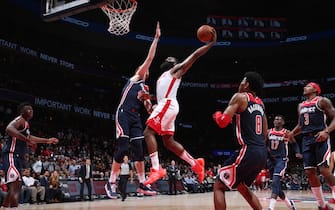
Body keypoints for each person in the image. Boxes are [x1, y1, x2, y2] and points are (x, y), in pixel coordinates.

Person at [143, 26, 217, 186]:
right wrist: (148, 101)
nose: (167, 59)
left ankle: (156, 169)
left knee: (148, 132)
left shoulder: (175, 71)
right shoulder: (162, 78)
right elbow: (154, 107)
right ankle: (196, 164)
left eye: (170, 59)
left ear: (173, 64)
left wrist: (211, 44)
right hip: (166, 104)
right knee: (168, 142)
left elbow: (195, 56)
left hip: (168, 104)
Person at [105, 21, 161, 199]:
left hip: (136, 118)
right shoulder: (136, 78)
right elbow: (149, 58)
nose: (146, 69)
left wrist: (155, 107)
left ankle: (143, 184)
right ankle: (111, 182)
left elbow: (150, 110)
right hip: (123, 114)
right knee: (122, 149)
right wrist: (156, 38)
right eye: (144, 68)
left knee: (138, 149)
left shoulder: (145, 89)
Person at [212, 71, 267, 210]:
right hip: (261, 152)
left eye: (242, 81)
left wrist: (217, 115)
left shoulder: (240, 97)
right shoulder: (261, 104)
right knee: (242, 187)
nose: (240, 84)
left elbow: (222, 122)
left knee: (219, 185)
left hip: (248, 150)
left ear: (247, 84)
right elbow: (264, 133)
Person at [287, 82, 335, 210]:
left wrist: (326, 131)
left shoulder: (322, 101)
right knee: (309, 172)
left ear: (315, 89)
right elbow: (301, 125)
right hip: (306, 140)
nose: (304, 87)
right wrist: (291, 133)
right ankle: (321, 205)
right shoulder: (300, 105)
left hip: (320, 137)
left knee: (324, 171)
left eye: (308, 86)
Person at [1, 102, 58, 208]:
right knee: (15, 184)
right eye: (29, 109)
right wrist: (26, 139)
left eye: (32, 109)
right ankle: (14, 207)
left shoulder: (26, 124)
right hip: (11, 155)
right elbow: (9, 128)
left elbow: (30, 137)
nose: (31, 111)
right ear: (22, 112)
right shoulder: (20, 120)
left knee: (17, 184)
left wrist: (47, 140)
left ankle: (4, 207)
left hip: (18, 157)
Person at [266, 114, 302, 210]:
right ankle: (290, 204)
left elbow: (294, 143)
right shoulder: (268, 132)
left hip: (281, 160)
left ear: (283, 122)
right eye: (275, 119)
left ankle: (270, 208)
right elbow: (264, 144)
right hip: (271, 160)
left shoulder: (286, 133)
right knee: (277, 186)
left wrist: (298, 152)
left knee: (275, 183)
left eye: (279, 119)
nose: (276, 120)